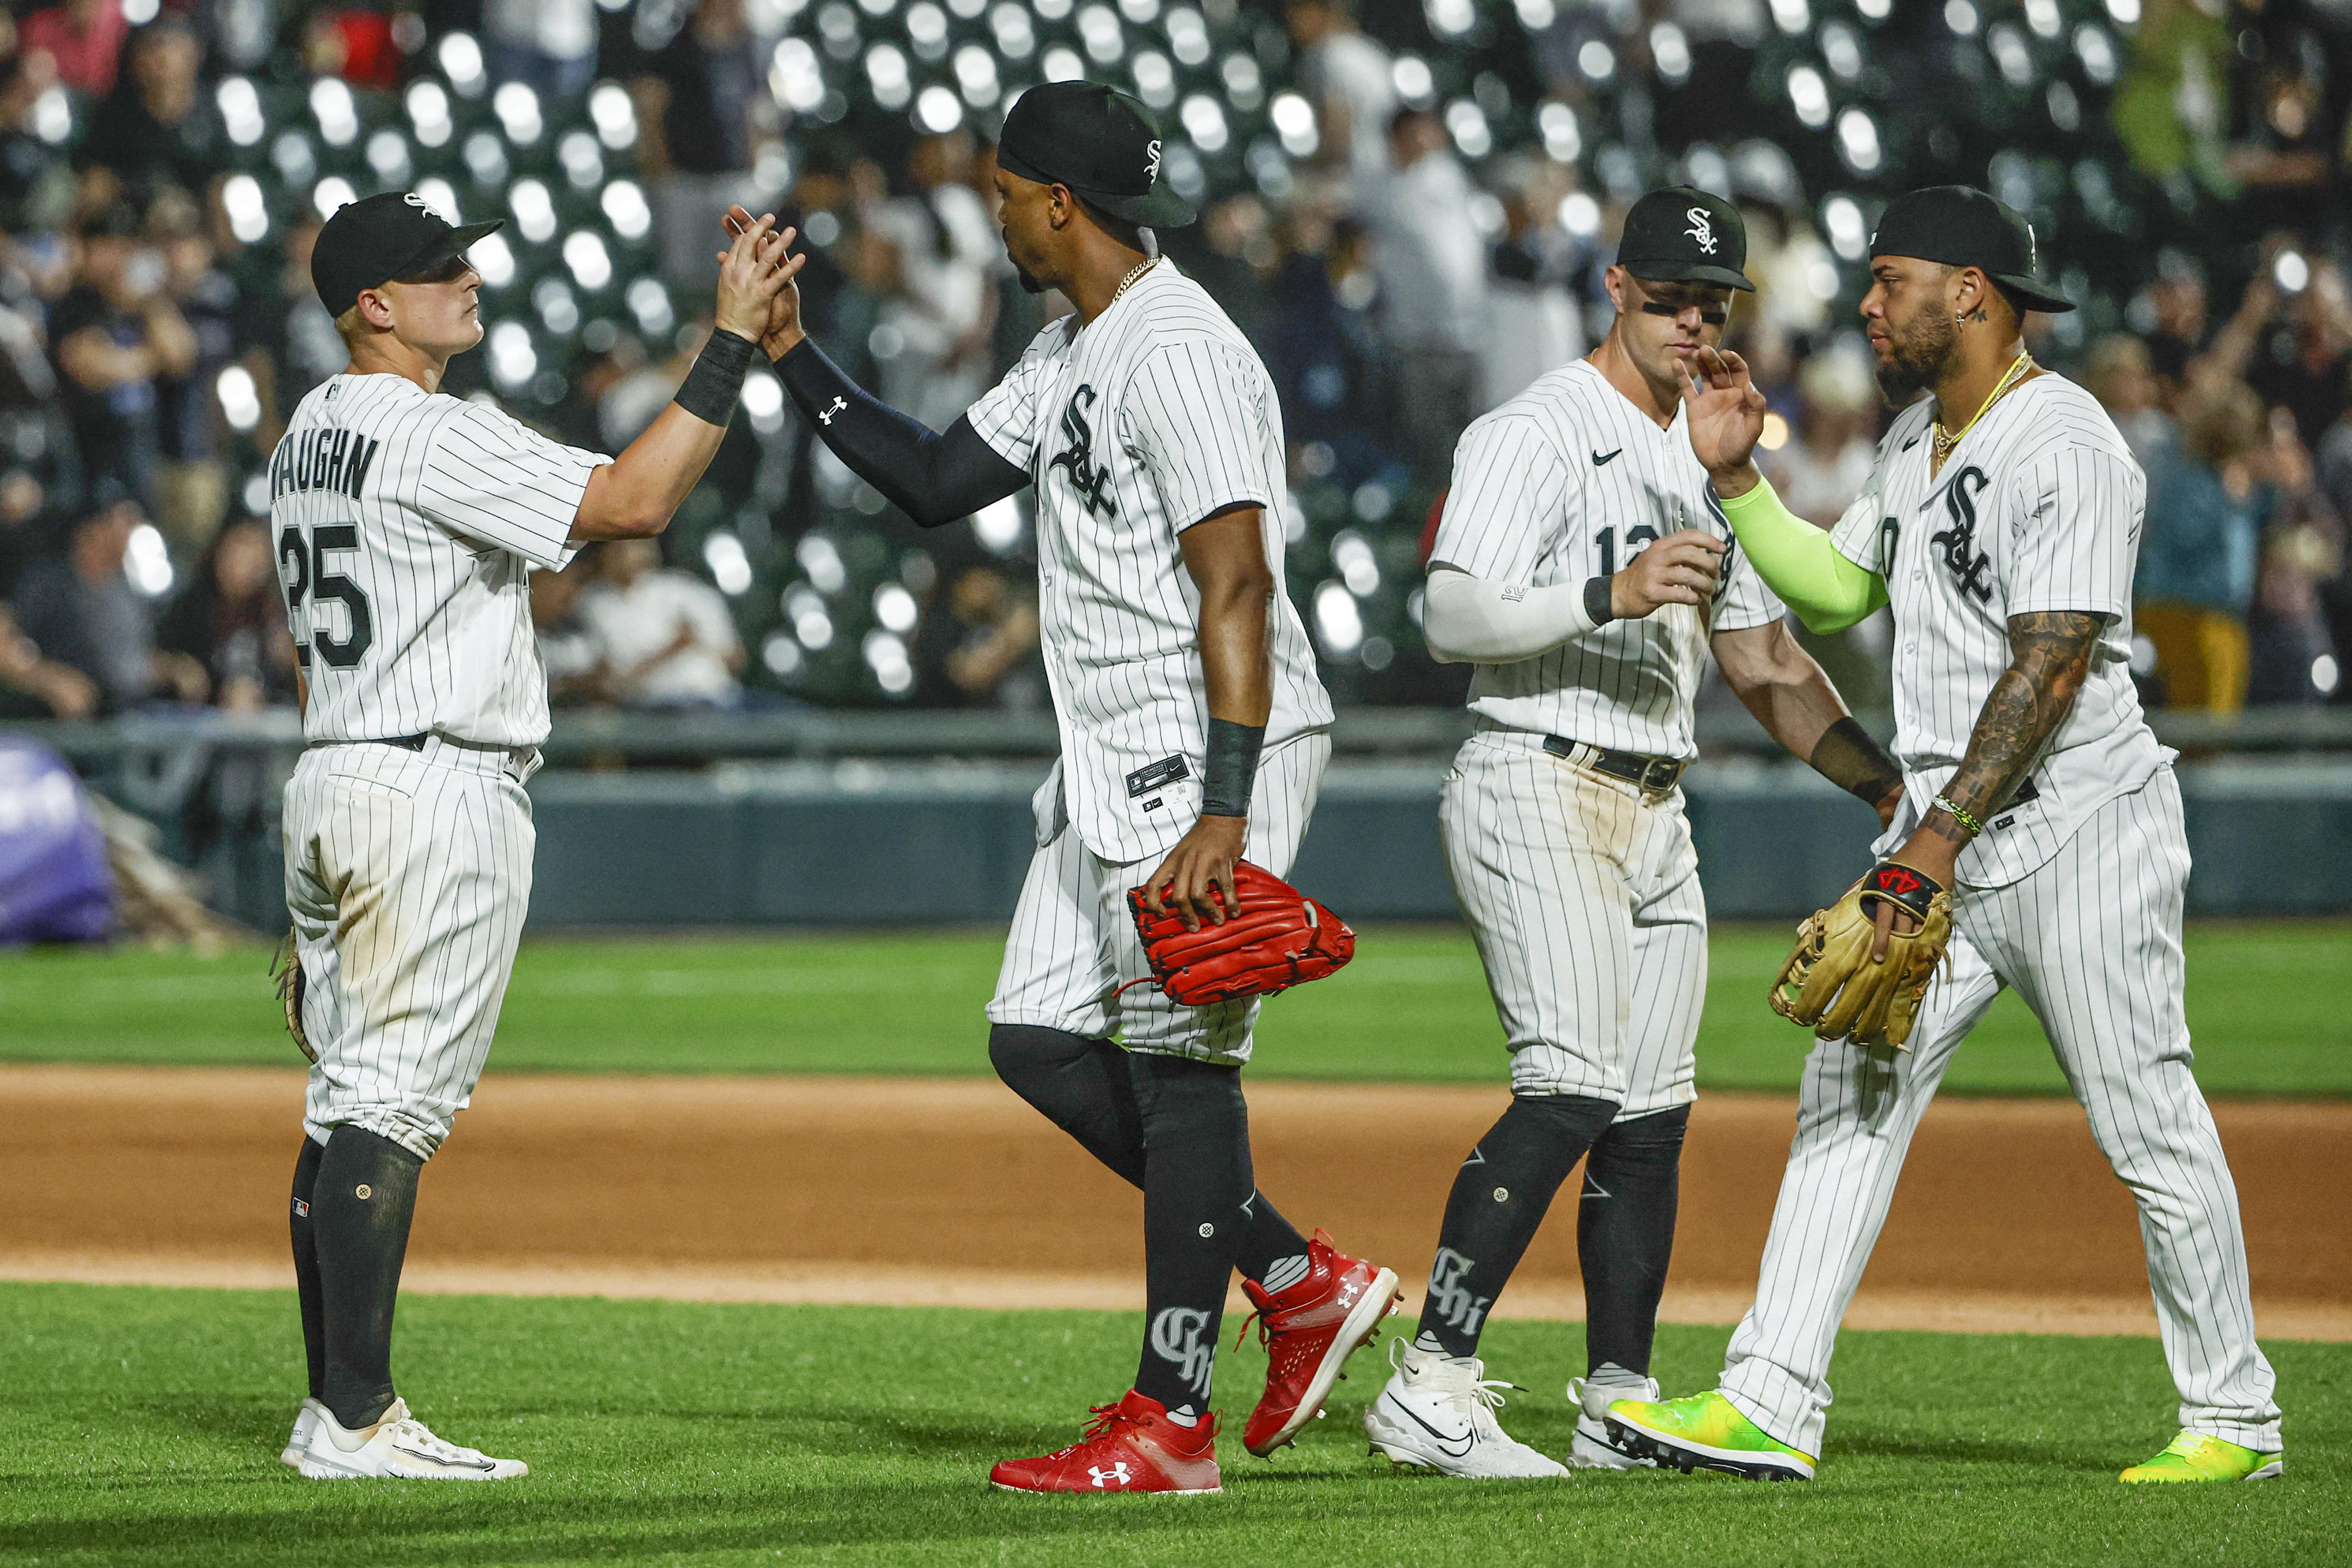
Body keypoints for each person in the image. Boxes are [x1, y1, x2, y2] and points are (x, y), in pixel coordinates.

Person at [733, 82, 1400, 1495]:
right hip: (1109, 754)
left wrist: (1224, 812)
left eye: (1001, 190)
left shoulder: (1179, 352)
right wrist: (793, 356)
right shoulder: (1071, 344)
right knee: (1035, 1037)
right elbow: (925, 478)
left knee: (1181, 1072)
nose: (988, 211)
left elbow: (1237, 579)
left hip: (1207, 748)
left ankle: (1170, 1418)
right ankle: (1295, 1283)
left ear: (1055, 200)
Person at [1621, 184, 2284, 1485]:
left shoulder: (2068, 445)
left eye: (1892, 280)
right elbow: (1835, 584)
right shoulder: (1922, 430)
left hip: (2077, 828)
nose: (1866, 305)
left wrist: (1926, 846)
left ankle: (2235, 1420)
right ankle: (1768, 1398)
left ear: (1970, 290)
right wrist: (1738, 477)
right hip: (1950, 837)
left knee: (2142, 1113)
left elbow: (2047, 664)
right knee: (1847, 1093)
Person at [1381, 188, 1904, 1479]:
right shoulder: (1534, 428)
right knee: (1566, 1082)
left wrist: (1888, 793)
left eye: (1711, 302)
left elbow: (1767, 660)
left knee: (1649, 1116)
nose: (1690, 319)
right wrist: (1602, 592)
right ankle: (1429, 1378)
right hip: (1535, 769)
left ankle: (1618, 1397)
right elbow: (1448, 615)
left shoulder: (1705, 451)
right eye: (1669, 295)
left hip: (1653, 801)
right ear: (1613, 287)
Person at [272, 190, 791, 1480]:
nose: (466, 279)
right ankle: (355, 1419)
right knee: (391, 1105)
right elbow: (635, 500)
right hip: (434, 783)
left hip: (340, 761)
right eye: (433, 270)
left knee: (343, 1103)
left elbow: (304, 650)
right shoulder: (425, 431)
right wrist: (725, 344)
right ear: (370, 306)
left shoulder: (302, 436)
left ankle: (334, 1405)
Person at [576, 536, 744, 707]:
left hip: (709, 702)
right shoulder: (592, 603)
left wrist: (694, 645)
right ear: (604, 554)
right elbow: (608, 674)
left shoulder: (682, 589)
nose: (634, 553)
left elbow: (734, 655)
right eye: (623, 548)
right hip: (644, 710)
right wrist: (675, 646)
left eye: (641, 544)